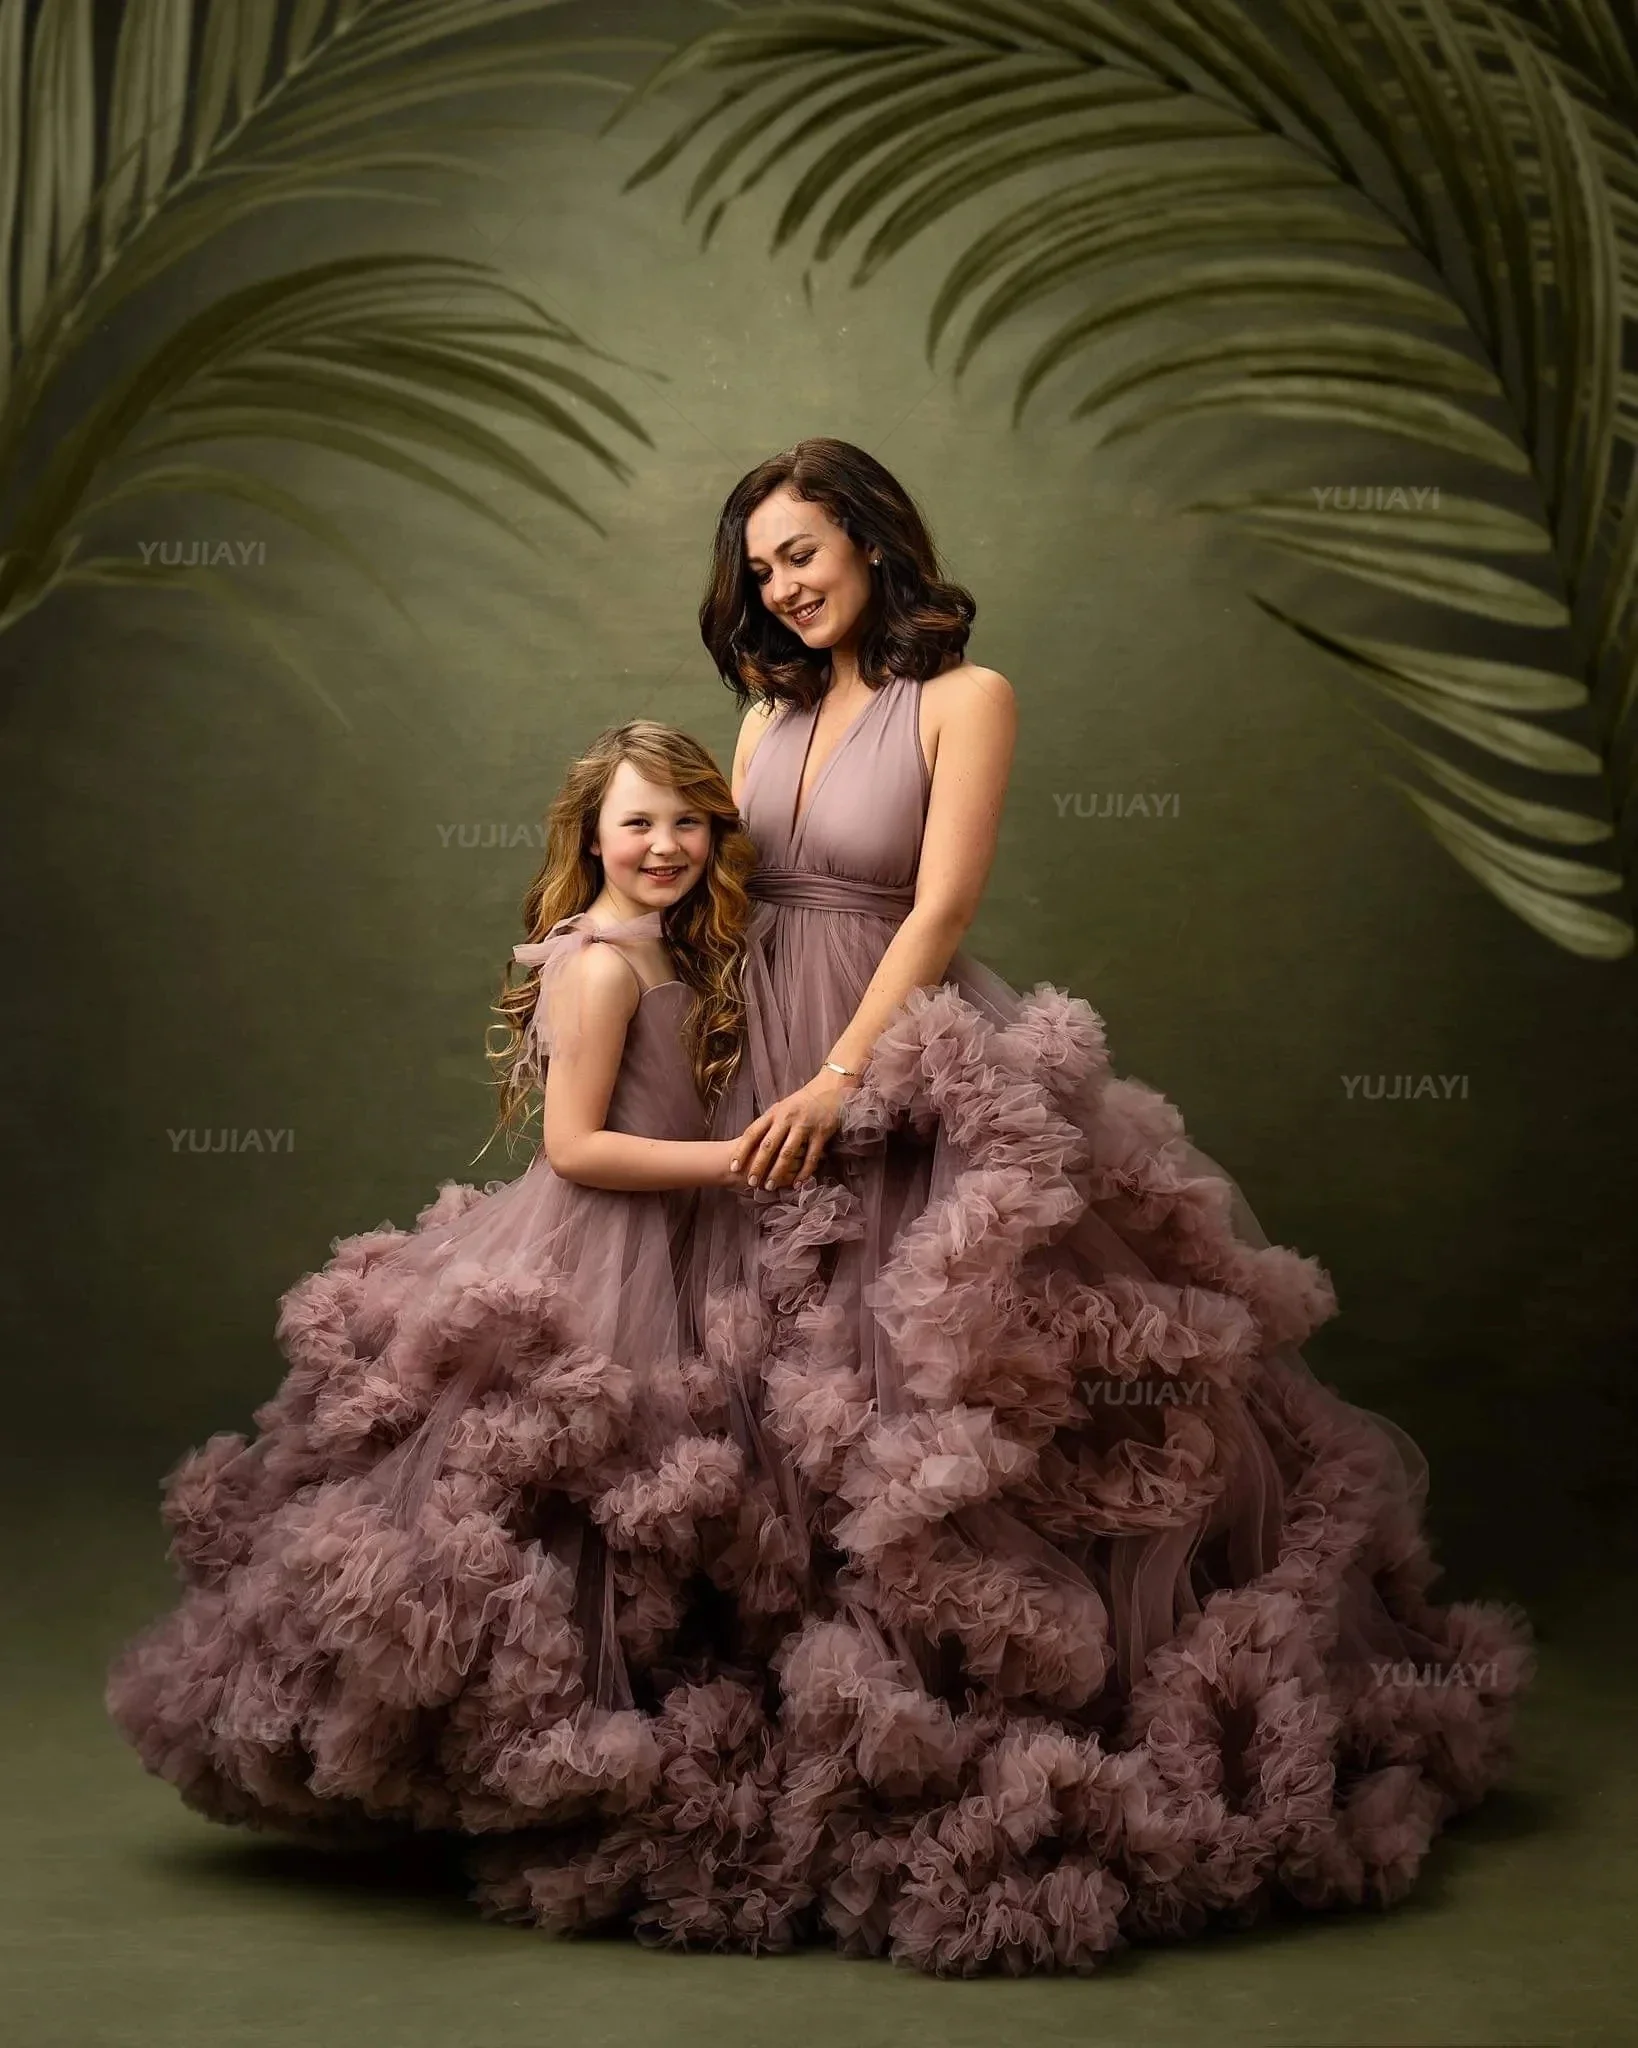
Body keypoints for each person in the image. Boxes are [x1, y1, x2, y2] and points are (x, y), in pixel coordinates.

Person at [466, 440, 1537, 1976]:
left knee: (930, 1388)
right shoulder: (761, 713)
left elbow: (943, 905)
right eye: (758, 567)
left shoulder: (965, 699)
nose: (781, 584)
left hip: (892, 1058)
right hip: (755, 1062)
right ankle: (795, 1714)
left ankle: (981, 1715)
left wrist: (844, 1074)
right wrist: (604, 964)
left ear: (871, 539)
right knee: (771, 1398)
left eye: (800, 551)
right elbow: (707, 890)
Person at [105, 721, 765, 1847]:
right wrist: (735, 1159)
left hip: (679, 1233)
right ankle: (521, 1746)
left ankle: (636, 1718)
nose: (665, 843)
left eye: (687, 820)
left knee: (666, 1485)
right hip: (606, 1236)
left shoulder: (671, 945)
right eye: (638, 822)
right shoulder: (602, 961)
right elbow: (577, 1146)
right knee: (577, 1480)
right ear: (592, 836)